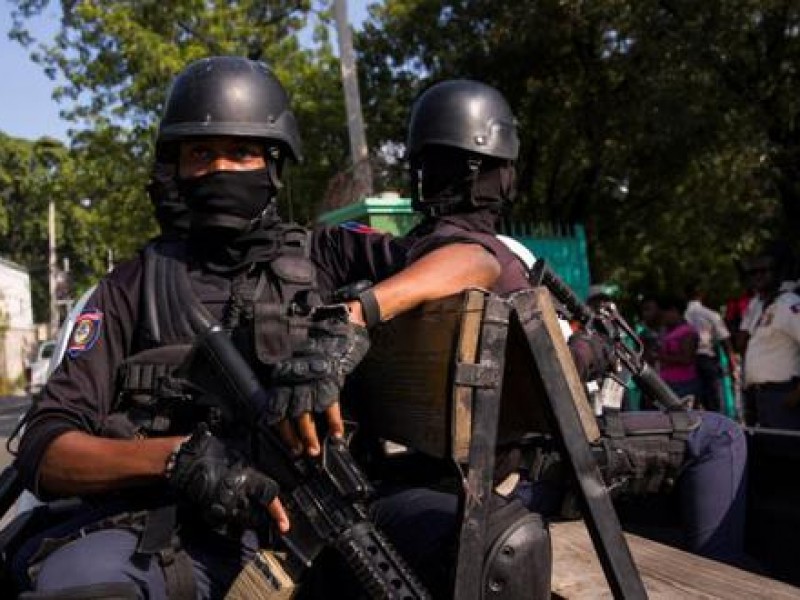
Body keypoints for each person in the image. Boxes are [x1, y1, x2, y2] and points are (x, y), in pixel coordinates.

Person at [8, 57, 503, 599]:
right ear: (176, 167)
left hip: (331, 520)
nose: (220, 168)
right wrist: (178, 459)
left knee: (495, 542)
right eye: (202, 153)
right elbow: (47, 449)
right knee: (83, 586)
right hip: (180, 535)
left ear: (272, 165)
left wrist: (353, 317)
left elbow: (473, 261)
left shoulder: (327, 253)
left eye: (241, 152)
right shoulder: (131, 286)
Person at [403, 78, 748, 565]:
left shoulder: (411, 254)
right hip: (533, 463)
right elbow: (547, 377)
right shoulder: (489, 258)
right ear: (490, 172)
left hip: (469, 467)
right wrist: (598, 351)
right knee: (720, 435)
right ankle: (722, 582)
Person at [740, 242, 800, 429]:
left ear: (779, 272)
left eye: (764, 271)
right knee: (766, 454)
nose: (757, 276)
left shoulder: (789, 304)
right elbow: (741, 342)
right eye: (753, 272)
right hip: (758, 396)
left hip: (783, 395)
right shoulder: (759, 304)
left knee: (786, 454)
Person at [684, 281, 735, 413]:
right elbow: (724, 339)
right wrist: (731, 363)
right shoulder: (711, 314)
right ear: (702, 295)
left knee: (692, 402)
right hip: (707, 360)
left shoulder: (682, 315)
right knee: (713, 402)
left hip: (685, 362)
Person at [656, 294, 700, 402]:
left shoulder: (688, 332)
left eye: (665, 314)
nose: (664, 318)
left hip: (683, 384)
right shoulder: (665, 332)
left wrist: (660, 357)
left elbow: (687, 358)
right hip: (666, 383)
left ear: (674, 311)